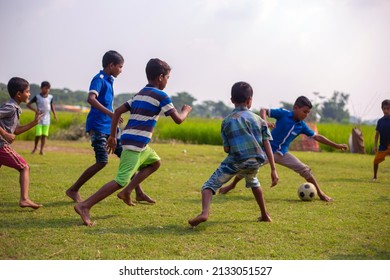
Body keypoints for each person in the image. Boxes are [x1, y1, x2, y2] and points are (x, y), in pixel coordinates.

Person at [74, 58, 192, 226]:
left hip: (134, 140)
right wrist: (185, 111)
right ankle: (85, 205)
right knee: (121, 180)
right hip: (135, 143)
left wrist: (113, 136)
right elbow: (179, 120)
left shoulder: (141, 93)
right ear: (160, 77)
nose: (167, 81)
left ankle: (130, 192)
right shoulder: (162, 95)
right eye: (167, 77)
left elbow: (118, 112)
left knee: (155, 162)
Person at [219, 96, 349, 202]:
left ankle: (320, 193)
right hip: (267, 150)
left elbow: (317, 137)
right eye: (304, 111)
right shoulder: (284, 114)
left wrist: (337, 145)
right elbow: (263, 110)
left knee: (305, 170)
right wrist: (264, 123)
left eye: (308, 113)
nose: (306, 115)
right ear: (296, 108)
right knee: (248, 167)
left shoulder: (302, 126)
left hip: (282, 154)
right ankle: (231, 185)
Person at [66, 50, 153, 204]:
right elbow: (91, 99)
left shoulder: (109, 81)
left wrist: (113, 118)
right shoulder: (98, 79)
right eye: (120, 66)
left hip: (109, 128)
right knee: (102, 161)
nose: (121, 70)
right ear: (111, 65)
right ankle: (73, 190)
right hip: (98, 126)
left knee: (128, 158)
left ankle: (138, 192)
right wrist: (111, 114)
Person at [188, 81, 278, 227]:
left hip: (236, 160)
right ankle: (264, 214)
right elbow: (267, 143)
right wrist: (273, 169)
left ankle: (204, 213)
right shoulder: (260, 120)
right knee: (254, 182)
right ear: (250, 100)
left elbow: (227, 149)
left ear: (231, 100)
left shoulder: (226, 121)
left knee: (209, 186)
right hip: (256, 161)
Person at [0, 77, 44, 209]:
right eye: (28, 91)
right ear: (19, 94)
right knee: (24, 167)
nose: (29, 94)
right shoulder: (10, 107)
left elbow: (16, 130)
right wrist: (5, 134)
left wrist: (34, 123)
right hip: (1, 145)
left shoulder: (16, 108)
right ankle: (24, 199)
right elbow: (9, 133)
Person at [27, 81, 57, 155]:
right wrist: (35, 110)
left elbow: (52, 106)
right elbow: (28, 104)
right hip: (39, 118)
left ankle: (42, 150)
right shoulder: (37, 96)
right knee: (38, 134)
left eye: (48, 89)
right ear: (41, 88)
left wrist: (54, 114)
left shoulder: (50, 97)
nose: (47, 90)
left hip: (47, 118)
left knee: (44, 135)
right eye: (45, 88)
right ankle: (35, 148)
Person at [372, 99, 390, 182]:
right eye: (384, 109)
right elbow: (377, 135)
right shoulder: (380, 121)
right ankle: (375, 177)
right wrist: (375, 146)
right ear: (382, 109)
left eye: (388, 109)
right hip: (383, 145)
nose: (386, 110)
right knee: (376, 161)